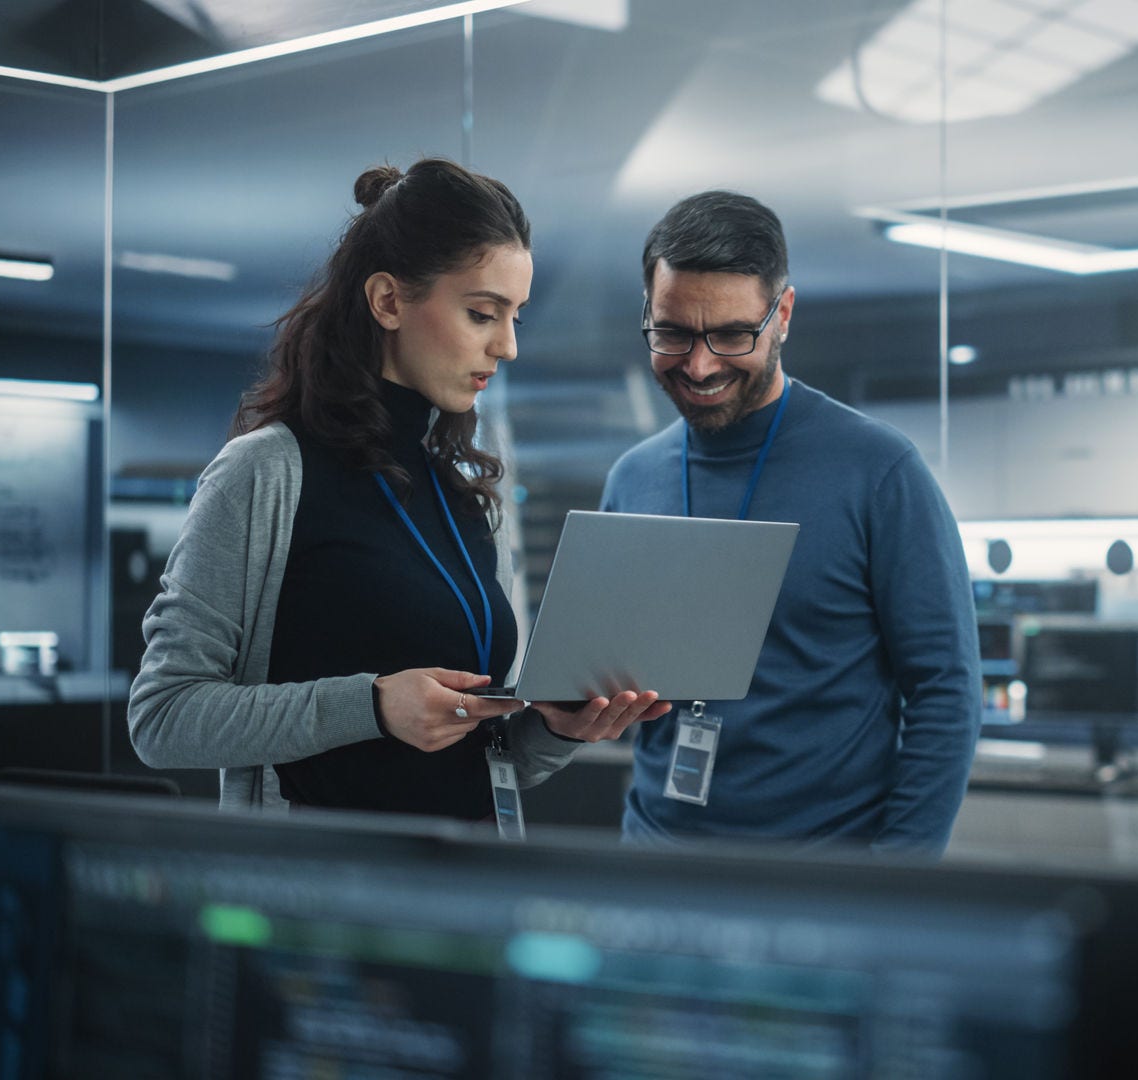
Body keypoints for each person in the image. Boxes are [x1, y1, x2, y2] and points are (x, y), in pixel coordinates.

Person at [129, 158, 668, 816]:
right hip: (320, 899)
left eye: (515, 318)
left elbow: (483, 761)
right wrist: (374, 706)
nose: (507, 347)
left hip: (465, 893)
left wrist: (556, 729)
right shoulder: (265, 471)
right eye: (482, 314)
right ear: (388, 300)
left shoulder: (460, 488)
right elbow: (162, 718)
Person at [600, 191, 980, 854]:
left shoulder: (879, 472)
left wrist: (895, 875)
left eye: (732, 335)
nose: (699, 365)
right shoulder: (633, 479)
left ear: (784, 316)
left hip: (822, 875)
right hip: (656, 863)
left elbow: (946, 690)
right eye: (673, 334)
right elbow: (607, 680)